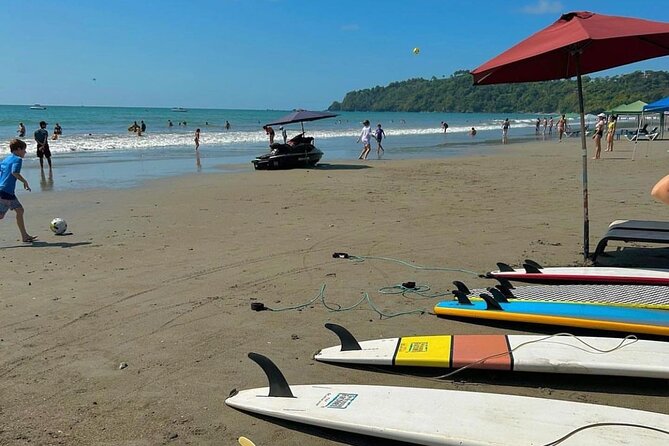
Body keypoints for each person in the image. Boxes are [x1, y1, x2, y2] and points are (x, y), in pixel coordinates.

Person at [0, 139, 36, 243]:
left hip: (6, 191)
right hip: (5, 192)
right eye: (24, 150)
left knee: (20, 210)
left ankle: (25, 236)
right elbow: (14, 172)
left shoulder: (6, 159)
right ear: (19, 149)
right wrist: (25, 181)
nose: (25, 152)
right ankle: (25, 236)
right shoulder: (17, 159)